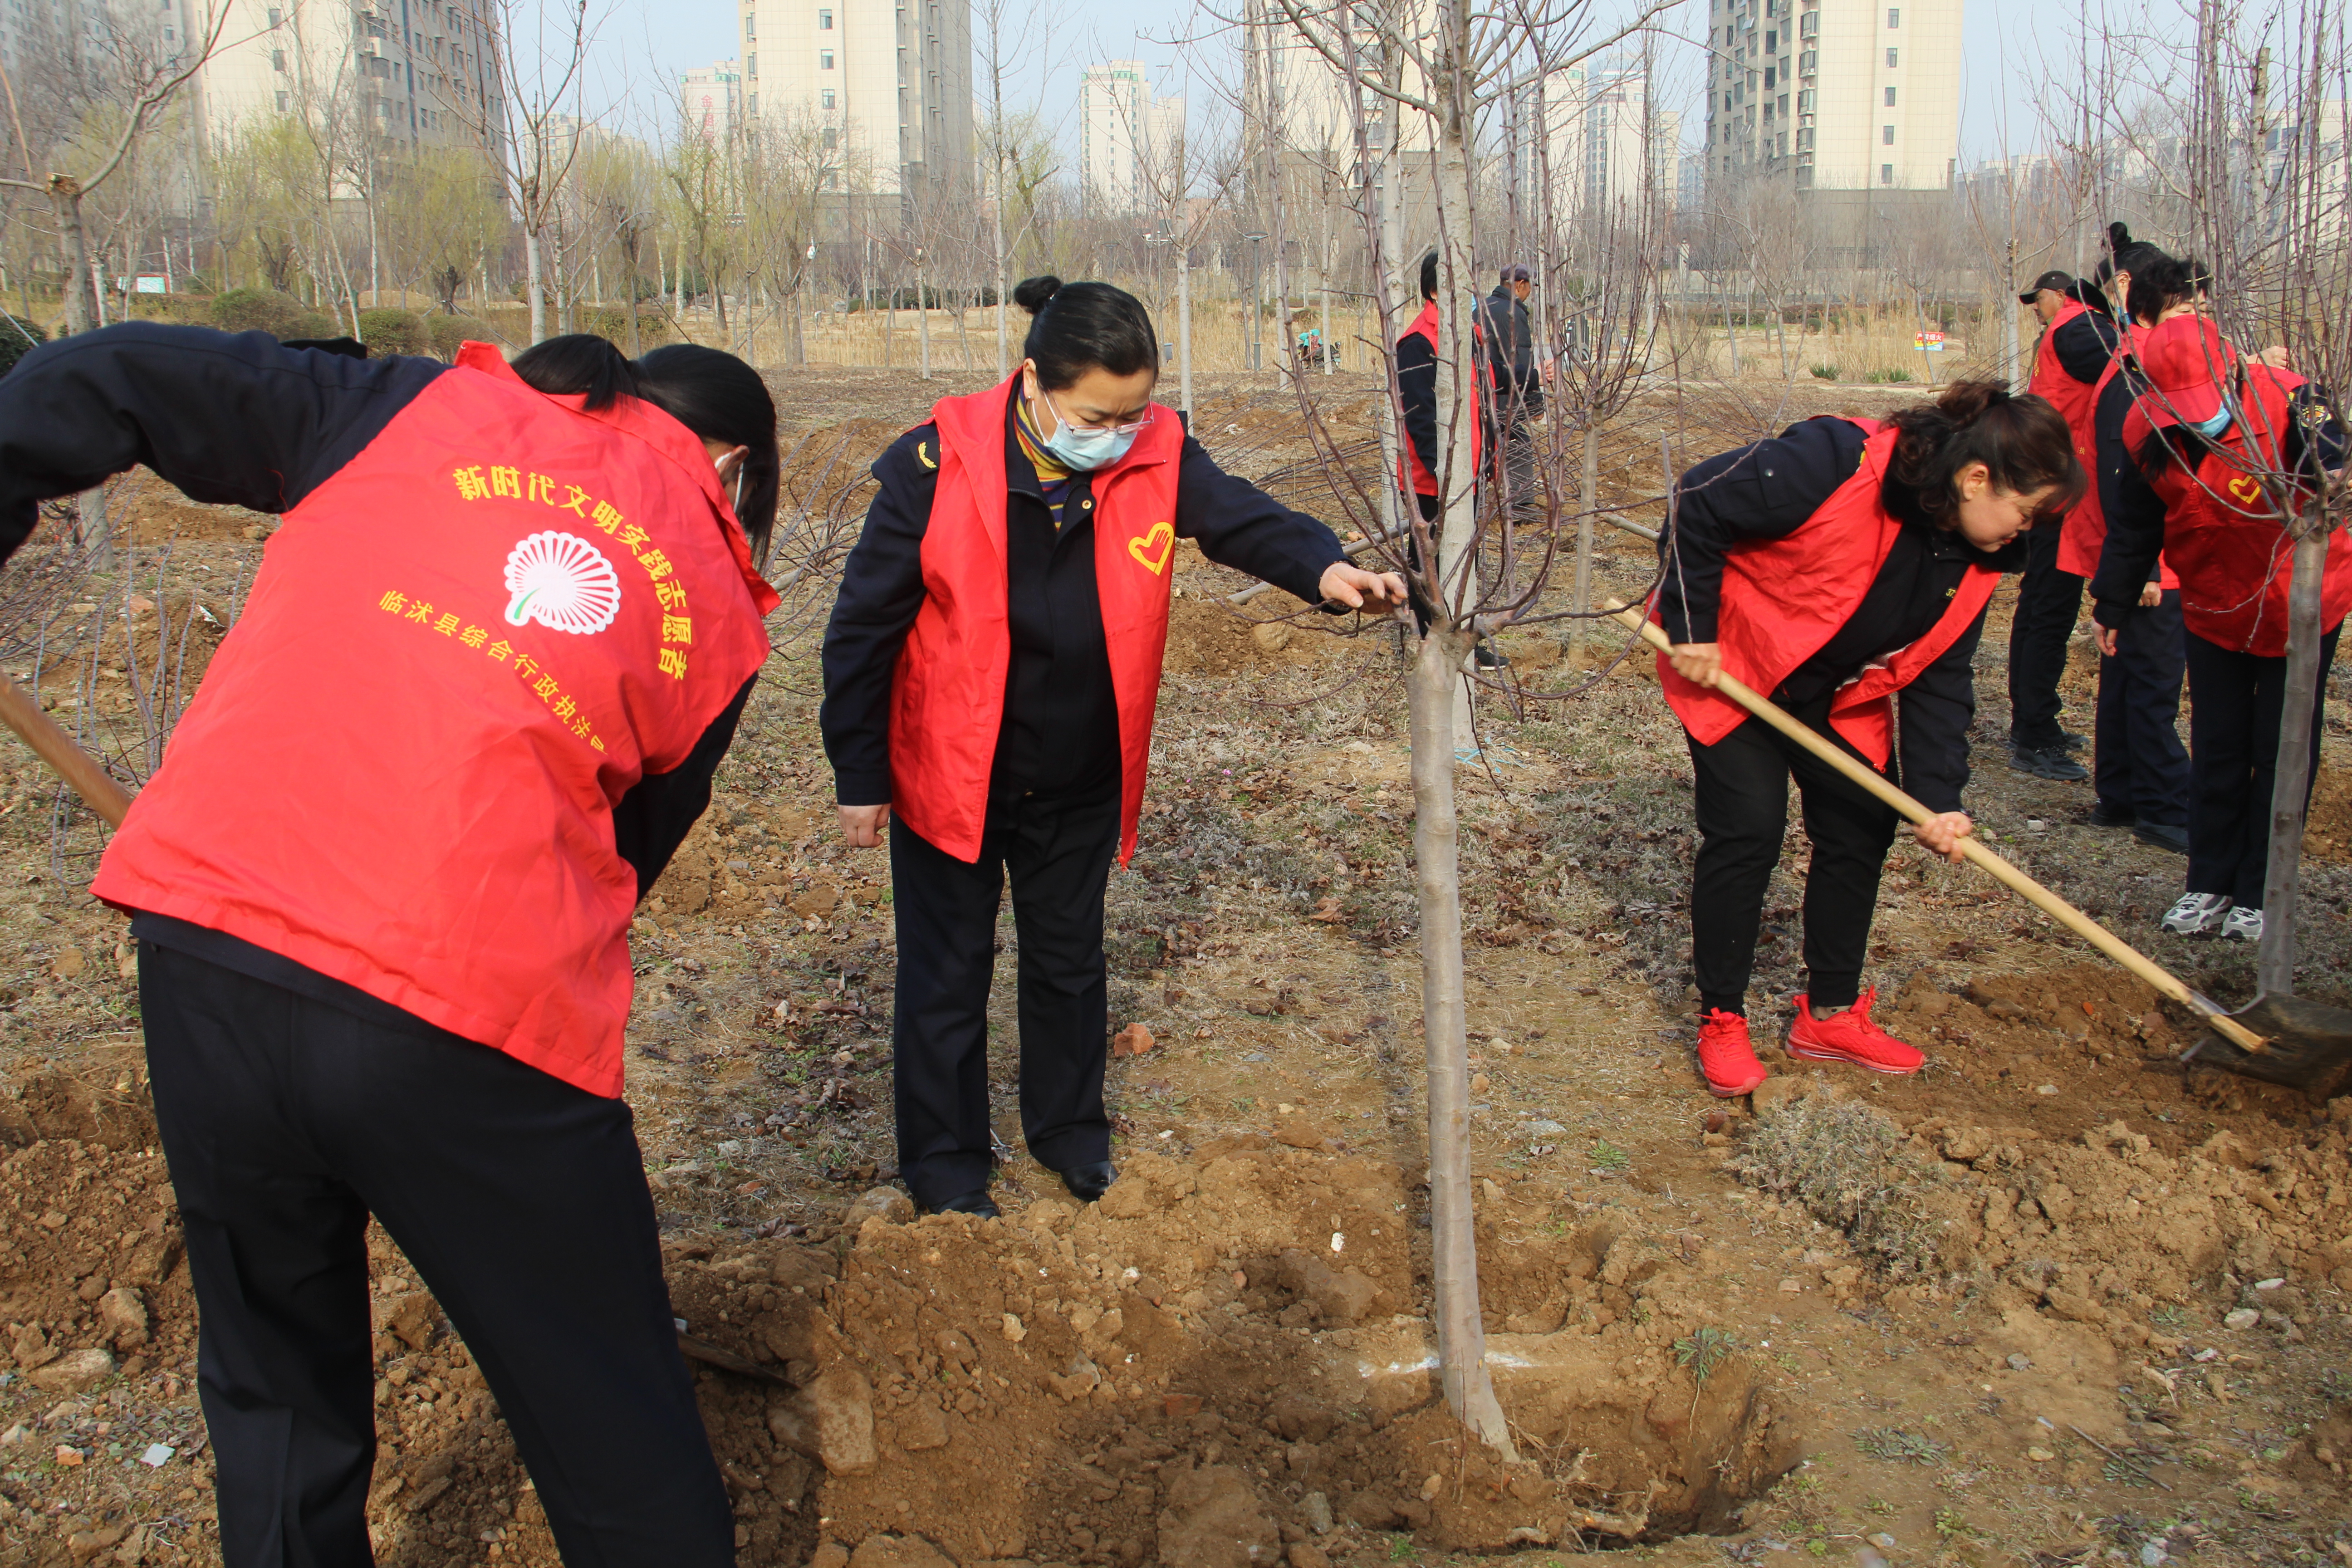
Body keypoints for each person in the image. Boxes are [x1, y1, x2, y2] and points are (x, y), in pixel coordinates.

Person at [0, 324, 781, 1564]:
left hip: (212, 949)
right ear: (733, 464)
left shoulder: (403, 408)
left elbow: (123, 376)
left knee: (275, 1392)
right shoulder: (722, 607)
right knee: (613, 1431)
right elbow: (625, 860)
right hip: (462, 1010)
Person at [821, 276, 1406, 1217]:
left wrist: (1323, 565)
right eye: (1100, 414)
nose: (1121, 432)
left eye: (1136, 411)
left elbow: (1240, 517)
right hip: (953, 775)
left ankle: (1068, 1133)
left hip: (1081, 771)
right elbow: (862, 629)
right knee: (945, 977)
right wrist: (860, 769)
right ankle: (946, 1167)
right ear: (1033, 384)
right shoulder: (933, 467)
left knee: (1067, 963)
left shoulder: (1158, 451)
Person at [1655, 382, 2082, 1097]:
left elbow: (1937, 679)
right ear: (1977, 479)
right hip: (1736, 665)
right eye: (2027, 510)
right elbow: (1698, 498)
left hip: (1831, 691)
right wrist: (1692, 626)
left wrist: (1937, 799)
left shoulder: (1974, 561)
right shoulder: (1836, 462)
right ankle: (1723, 1017)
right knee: (1749, 830)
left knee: (1861, 822)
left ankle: (1828, 1015)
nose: (2028, 529)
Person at [2089, 299, 2352, 944]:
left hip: (2300, 603)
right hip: (2212, 603)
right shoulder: (2148, 429)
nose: (2198, 415)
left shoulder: (2297, 404)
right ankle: (2208, 882)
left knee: (2281, 749)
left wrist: (2333, 474)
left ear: (2233, 373)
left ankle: (2263, 892)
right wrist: (2112, 604)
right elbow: (2135, 524)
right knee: (2219, 745)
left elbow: (2338, 484)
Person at [2074, 234, 2194, 852]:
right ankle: (2165, 806)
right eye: (2184, 312)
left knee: (2128, 680)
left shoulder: (2137, 360)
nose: (2195, 324)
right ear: (2145, 305)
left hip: (2134, 557)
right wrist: (2142, 568)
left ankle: (2121, 794)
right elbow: (2128, 475)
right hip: (2150, 561)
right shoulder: (2140, 372)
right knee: (2151, 684)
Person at [2006, 266, 2111, 783]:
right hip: (2062, 491)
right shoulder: (2079, 329)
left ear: (2061, 294)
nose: (2036, 309)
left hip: (2054, 482)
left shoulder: (2075, 330)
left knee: (2038, 607)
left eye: (2040, 298)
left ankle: (2031, 719)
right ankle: (2034, 733)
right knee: (2049, 610)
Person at [1475, 263, 1544, 523]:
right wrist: (1534, 403)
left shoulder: (1482, 307)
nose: (1528, 294)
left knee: (1482, 447)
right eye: (1529, 288)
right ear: (1520, 285)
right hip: (1504, 396)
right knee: (1519, 446)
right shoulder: (1515, 313)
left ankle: (1478, 506)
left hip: (1481, 391)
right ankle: (1520, 507)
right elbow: (1522, 360)